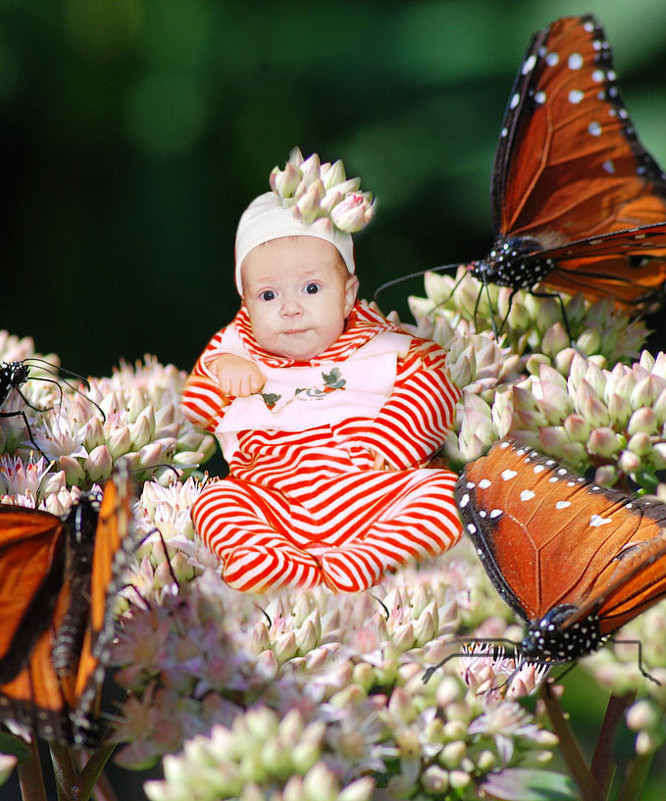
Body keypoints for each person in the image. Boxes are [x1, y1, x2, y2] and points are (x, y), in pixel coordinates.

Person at [182, 150, 462, 592]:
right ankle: (270, 560)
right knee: (213, 500)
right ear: (246, 305)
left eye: (311, 288)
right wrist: (222, 370)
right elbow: (198, 407)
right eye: (268, 296)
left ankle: (371, 556)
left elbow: (434, 384)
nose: (291, 308)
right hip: (272, 494)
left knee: (444, 495)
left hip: (369, 483)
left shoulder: (382, 344)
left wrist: (388, 444)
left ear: (349, 294)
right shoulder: (238, 348)